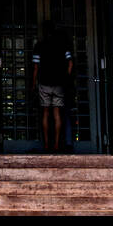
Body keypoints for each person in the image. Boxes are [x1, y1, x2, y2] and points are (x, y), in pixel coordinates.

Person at [32, 20, 73, 152]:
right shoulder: (62, 44)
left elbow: (36, 68)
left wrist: (33, 83)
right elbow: (70, 63)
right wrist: (65, 77)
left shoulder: (39, 45)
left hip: (44, 82)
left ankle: (46, 144)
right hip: (59, 83)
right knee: (57, 114)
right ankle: (55, 144)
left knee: (45, 113)